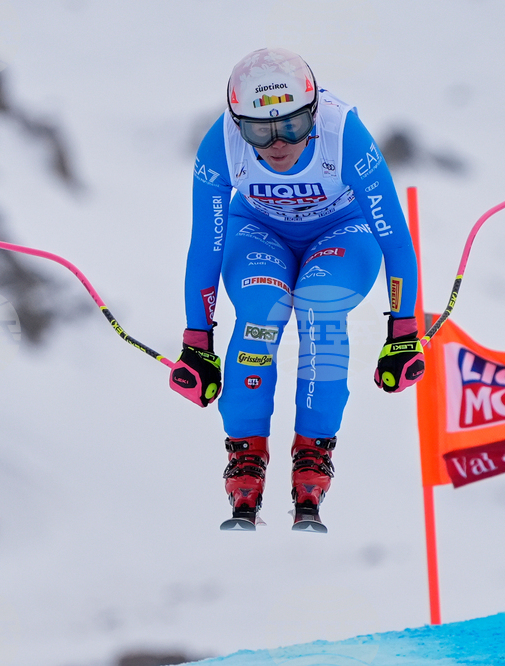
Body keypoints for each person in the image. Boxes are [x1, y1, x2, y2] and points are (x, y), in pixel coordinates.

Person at [170, 48, 425, 531]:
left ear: (314, 111)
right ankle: (246, 453)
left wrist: (403, 331)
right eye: (259, 131)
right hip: (258, 230)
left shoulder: (343, 133)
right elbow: (206, 246)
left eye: (292, 125)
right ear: (237, 123)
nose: (278, 143)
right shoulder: (220, 145)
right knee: (261, 311)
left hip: (343, 229)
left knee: (319, 305)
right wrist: (197, 343)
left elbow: (393, 236)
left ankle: (314, 450)